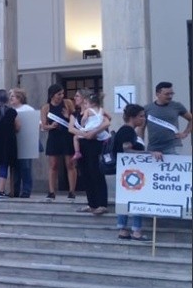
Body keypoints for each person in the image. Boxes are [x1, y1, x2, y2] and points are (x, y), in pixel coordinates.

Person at [114, 104, 159, 241]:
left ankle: (123, 228)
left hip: (127, 172)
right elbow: (127, 150)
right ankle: (136, 230)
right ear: (132, 117)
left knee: (125, 198)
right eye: (141, 116)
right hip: (131, 173)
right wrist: (150, 153)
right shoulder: (127, 131)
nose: (143, 119)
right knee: (136, 199)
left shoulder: (128, 130)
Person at [69, 92, 111, 215]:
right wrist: (85, 134)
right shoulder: (76, 114)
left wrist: (93, 132)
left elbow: (107, 122)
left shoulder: (96, 111)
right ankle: (92, 203)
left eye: (78, 96)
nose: (75, 98)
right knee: (85, 173)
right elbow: (71, 128)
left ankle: (102, 203)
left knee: (96, 172)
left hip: (95, 143)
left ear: (85, 99)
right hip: (82, 143)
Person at [40, 84, 76, 201]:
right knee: (53, 165)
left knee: (70, 164)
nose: (61, 96)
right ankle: (51, 191)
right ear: (52, 95)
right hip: (54, 137)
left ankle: (71, 191)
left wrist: (68, 116)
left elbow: (76, 119)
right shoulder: (46, 107)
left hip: (67, 136)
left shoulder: (67, 103)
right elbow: (43, 126)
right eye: (58, 94)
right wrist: (51, 126)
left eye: (62, 93)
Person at [141, 81, 192, 155]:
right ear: (157, 94)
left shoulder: (177, 106)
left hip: (173, 146)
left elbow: (191, 119)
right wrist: (141, 144)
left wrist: (185, 133)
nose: (170, 96)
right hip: (153, 148)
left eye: (172, 93)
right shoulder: (147, 108)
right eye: (167, 94)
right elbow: (141, 128)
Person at [8, 88, 36, 198]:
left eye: (12, 96)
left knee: (26, 167)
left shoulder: (28, 109)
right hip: (14, 143)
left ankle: (26, 190)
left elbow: (35, 124)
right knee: (15, 168)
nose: (10, 98)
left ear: (19, 98)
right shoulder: (10, 110)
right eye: (9, 96)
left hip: (26, 143)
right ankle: (14, 190)